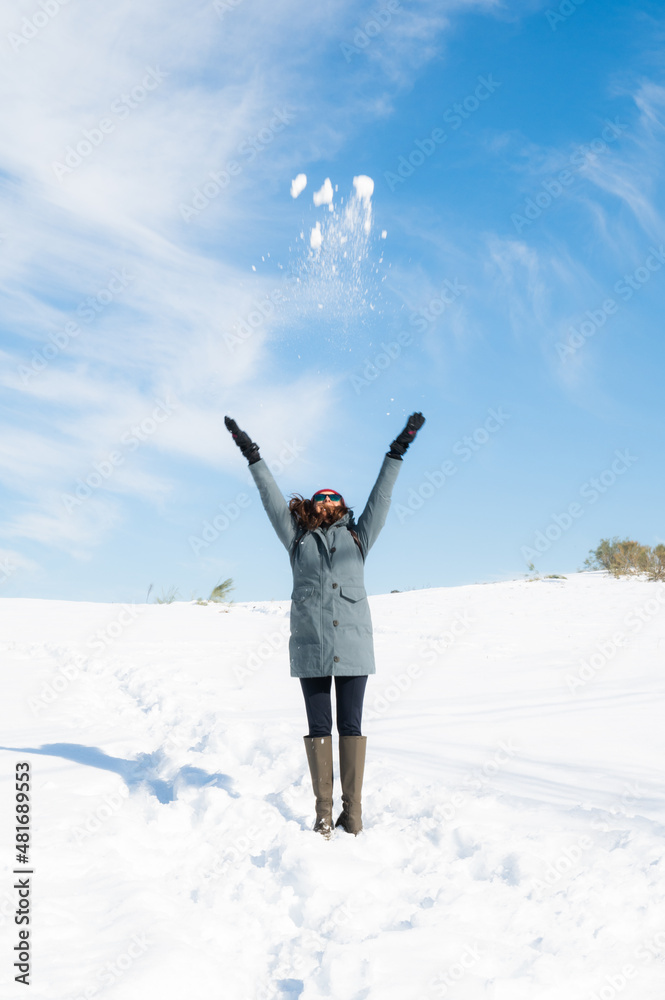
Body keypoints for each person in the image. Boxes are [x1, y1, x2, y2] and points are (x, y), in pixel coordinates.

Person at [224, 411, 426, 837]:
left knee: (350, 727)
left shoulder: (359, 537)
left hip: (353, 646)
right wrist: (251, 454)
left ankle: (351, 814)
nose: (330, 503)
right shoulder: (296, 539)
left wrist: (397, 451)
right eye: (322, 499)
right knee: (319, 727)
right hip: (311, 646)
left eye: (336, 499)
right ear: (313, 508)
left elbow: (381, 499)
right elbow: (270, 498)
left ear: (343, 509)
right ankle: (322, 814)